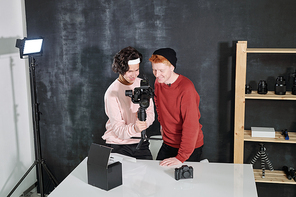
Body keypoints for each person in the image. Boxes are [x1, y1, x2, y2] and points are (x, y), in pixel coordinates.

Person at [149, 48, 204, 166]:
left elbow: (191, 125)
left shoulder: (186, 88)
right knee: (158, 175)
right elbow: (158, 104)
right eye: (154, 70)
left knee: (183, 183)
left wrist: (181, 157)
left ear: (172, 67)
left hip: (189, 148)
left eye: (161, 70)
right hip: (168, 143)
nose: (157, 74)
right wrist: (162, 125)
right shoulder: (159, 82)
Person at [102, 46, 155, 160]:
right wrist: (135, 128)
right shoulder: (112, 93)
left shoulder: (142, 84)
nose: (134, 75)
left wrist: (144, 123)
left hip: (141, 142)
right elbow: (118, 130)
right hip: (118, 145)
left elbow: (151, 114)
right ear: (120, 69)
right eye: (129, 71)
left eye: (136, 70)